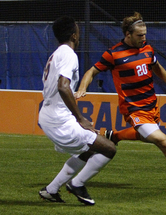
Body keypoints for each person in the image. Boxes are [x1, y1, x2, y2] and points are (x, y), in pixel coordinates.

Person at [75, 12, 166, 189]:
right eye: (140, 35)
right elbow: (92, 71)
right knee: (163, 142)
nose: (143, 38)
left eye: (145, 34)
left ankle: (114, 136)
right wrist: (82, 88)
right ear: (128, 35)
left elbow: (157, 67)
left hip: (152, 106)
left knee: (147, 137)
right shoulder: (114, 54)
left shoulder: (147, 48)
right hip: (134, 109)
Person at [38, 16, 116, 206]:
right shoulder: (68, 54)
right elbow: (63, 86)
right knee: (108, 148)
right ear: (74, 35)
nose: (79, 32)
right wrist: (80, 118)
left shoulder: (58, 53)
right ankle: (77, 184)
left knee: (90, 149)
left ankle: (51, 190)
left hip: (52, 114)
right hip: (58, 119)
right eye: (78, 30)